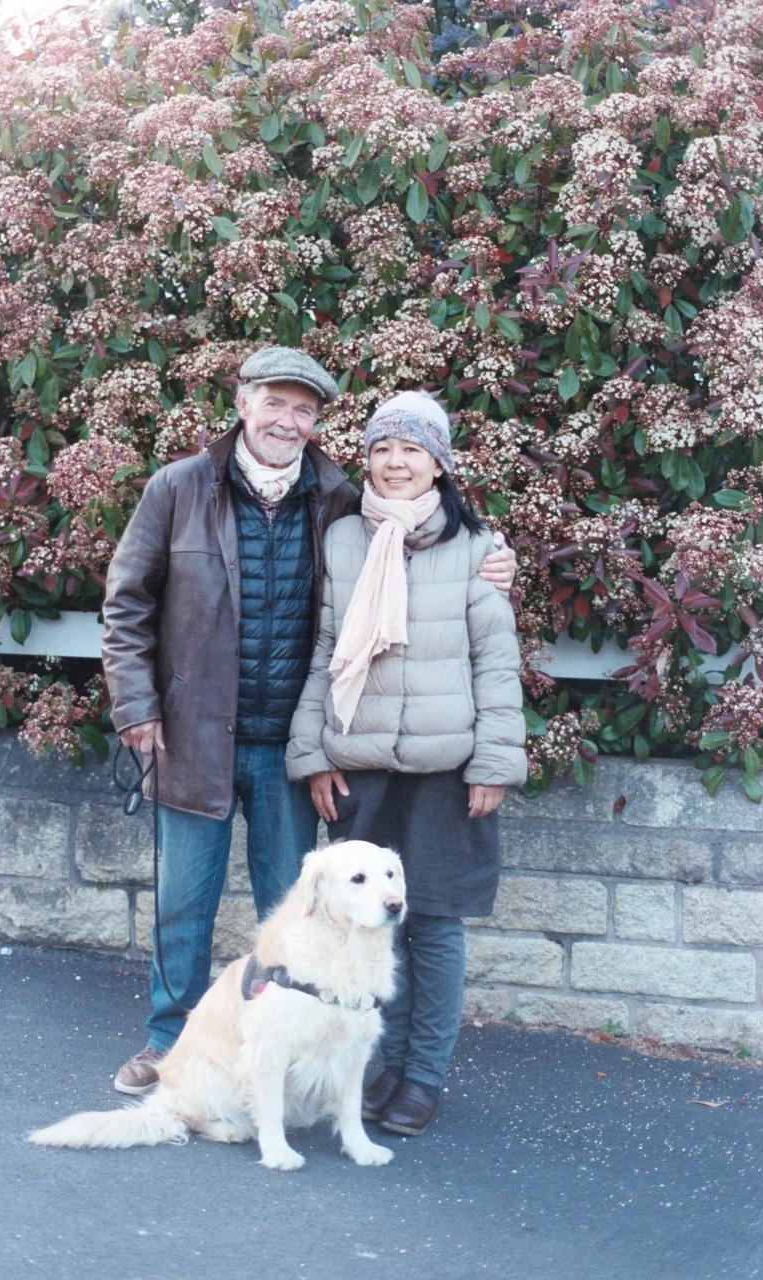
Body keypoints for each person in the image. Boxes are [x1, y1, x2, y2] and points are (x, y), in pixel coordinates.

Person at [101, 350, 517, 1095]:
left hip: (292, 748)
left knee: (292, 919)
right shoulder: (179, 488)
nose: (285, 421)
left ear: (317, 422)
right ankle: (169, 1043)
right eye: (273, 403)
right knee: (182, 908)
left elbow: (426, 543)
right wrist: (135, 706)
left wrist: (497, 560)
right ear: (242, 403)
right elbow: (126, 604)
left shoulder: (337, 497)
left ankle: (275, 1053)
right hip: (192, 735)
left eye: (302, 410)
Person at [286, 390, 527, 1136]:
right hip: (362, 764)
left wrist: (494, 760)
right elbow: (326, 650)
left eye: (412, 449)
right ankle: (376, 1067)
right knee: (364, 928)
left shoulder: (477, 549)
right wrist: (310, 751)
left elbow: (495, 660)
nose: (395, 463)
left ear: (439, 464)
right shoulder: (344, 538)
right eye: (383, 448)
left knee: (433, 926)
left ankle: (421, 1077)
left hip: (447, 767)